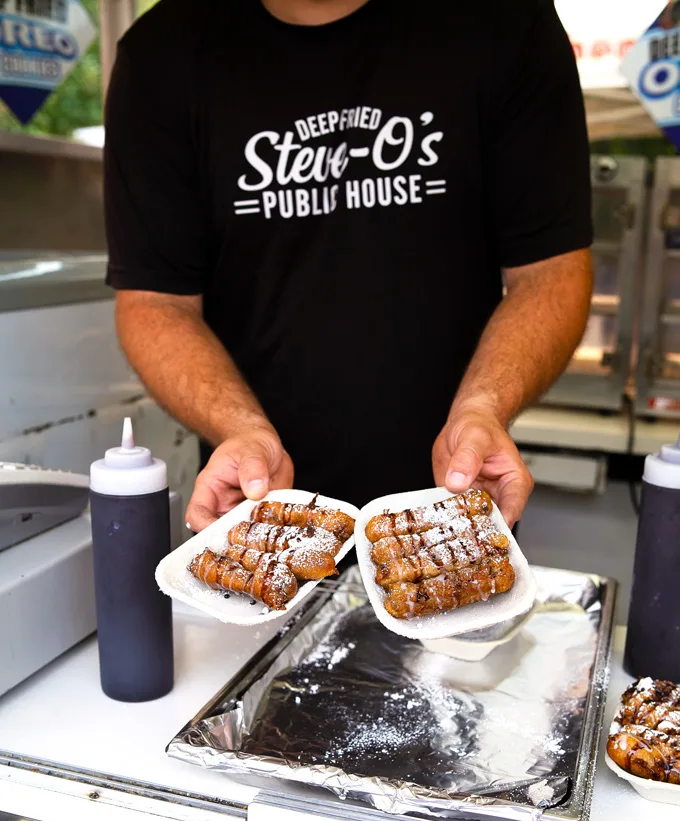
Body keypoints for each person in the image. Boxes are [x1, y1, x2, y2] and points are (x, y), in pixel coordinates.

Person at [104, 0, 593, 531]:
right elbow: (154, 302)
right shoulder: (161, 56)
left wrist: (484, 408)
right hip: (260, 511)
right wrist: (239, 428)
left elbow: (551, 271)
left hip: (456, 507)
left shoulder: (506, 21)